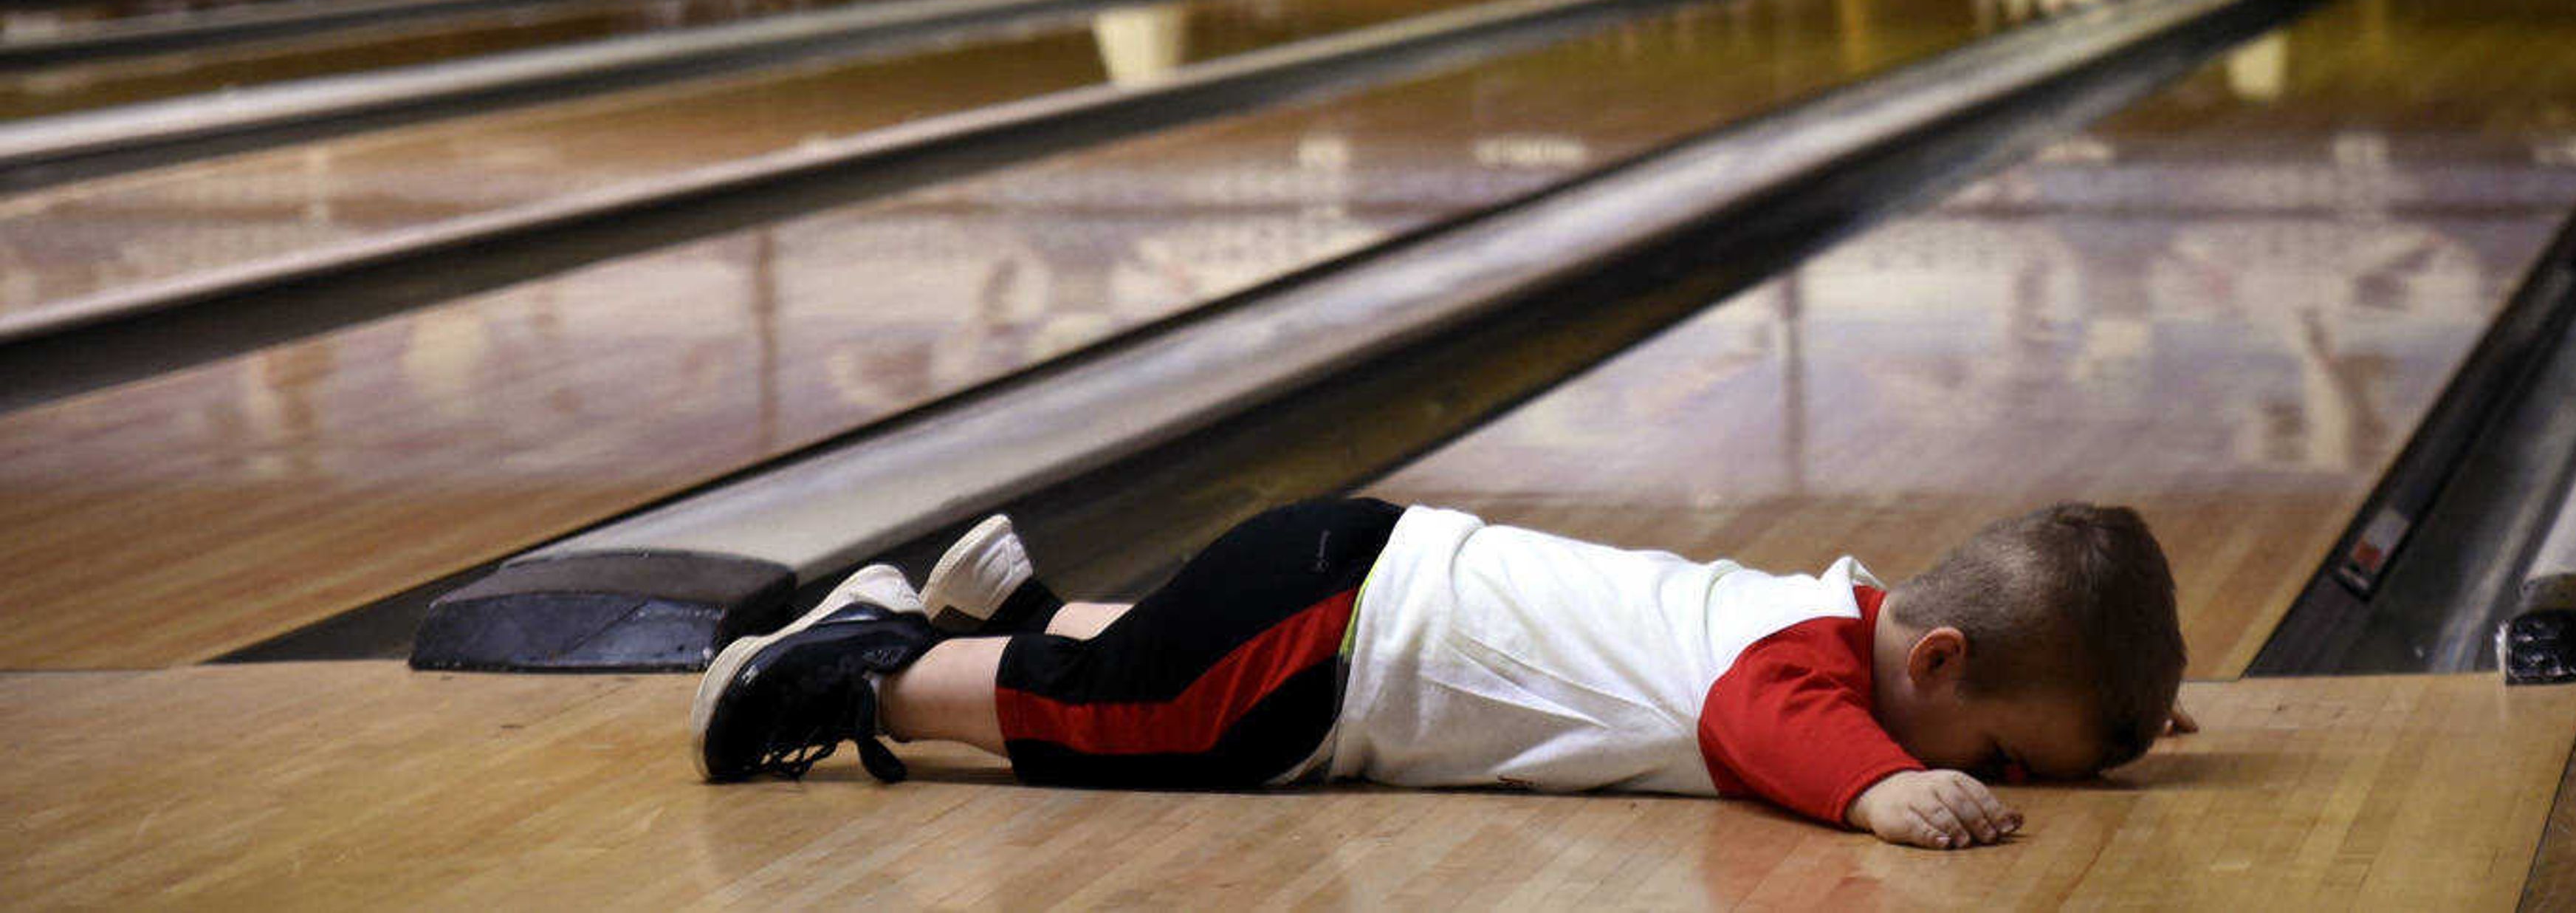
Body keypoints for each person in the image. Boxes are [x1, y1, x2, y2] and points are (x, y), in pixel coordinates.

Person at [690, 496, 2191, 851]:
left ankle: (1030, 609)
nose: (1977, 776)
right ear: (1935, 659)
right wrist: (1884, 793)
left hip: (1352, 567)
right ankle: (870, 663)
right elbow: (1763, 725)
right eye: (1996, 754)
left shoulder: (1854, 607)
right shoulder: (1791, 672)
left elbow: (2020, 655)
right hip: (1341, 652)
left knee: (1142, 660)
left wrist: (2109, 702)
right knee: (1134, 725)